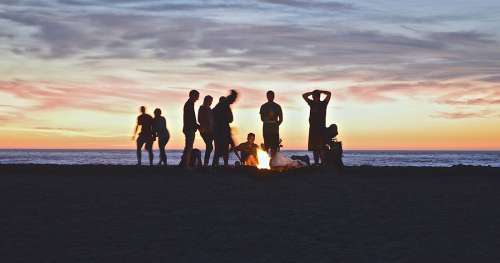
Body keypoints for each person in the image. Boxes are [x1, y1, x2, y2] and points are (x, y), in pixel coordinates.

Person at [303, 89, 331, 165]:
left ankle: (323, 163)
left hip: (321, 128)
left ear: (318, 96)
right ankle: (316, 163)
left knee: (321, 147)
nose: (313, 97)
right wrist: (312, 92)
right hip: (313, 128)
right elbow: (304, 95)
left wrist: (320, 91)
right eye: (313, 96)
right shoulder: (311, 103)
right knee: (314, 148)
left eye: (315, 96)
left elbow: (329, 94)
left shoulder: (323, 104)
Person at [212, 90, 238, 167]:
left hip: (221, 130)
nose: (234, 101)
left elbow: (230, 119)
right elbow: (230, 119)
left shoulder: (220, 107)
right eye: (234, 99)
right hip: (221, 130)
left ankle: (218, 164)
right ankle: (221, 164)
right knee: (222, 148)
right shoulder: (224, 105)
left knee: (220, 149)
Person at [259, 90, 283, 157]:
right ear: (267, 96)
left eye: (271, 96)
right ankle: (266, 162)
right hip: (266, 128)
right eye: (269, 96)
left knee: (274, 147)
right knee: (267, 146)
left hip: (274, 129)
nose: (270, 97)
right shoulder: (263, 106)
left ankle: (273, 161)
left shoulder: (278, 106)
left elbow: (281, 119)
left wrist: (276, 124)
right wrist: (269, 121)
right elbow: (262, 118)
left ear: (274, 96)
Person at [180, 90, 200, 168]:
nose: (197, 99)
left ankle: (184, 163)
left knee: (188, 147)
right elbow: (191, 119)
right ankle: (186, 165)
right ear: (192, 96)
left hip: (189, 128)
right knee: (189, 147)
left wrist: (196, 126)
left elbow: (191, 118)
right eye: (197, 97)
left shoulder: (189, 104)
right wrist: (197, 126)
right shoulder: (189, 105)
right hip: (189, 129)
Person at [198, 95, 214, 166]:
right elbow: (200, 119)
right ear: (207, 101)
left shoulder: (209, 109)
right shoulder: (202, 108)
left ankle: (206, 163)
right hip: (204, 130)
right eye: (210, 101)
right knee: (209, 146)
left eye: (211, 101)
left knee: (209, 147)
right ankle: (205, 163)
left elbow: (212, 120)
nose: (211, 103)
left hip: (210, 130)